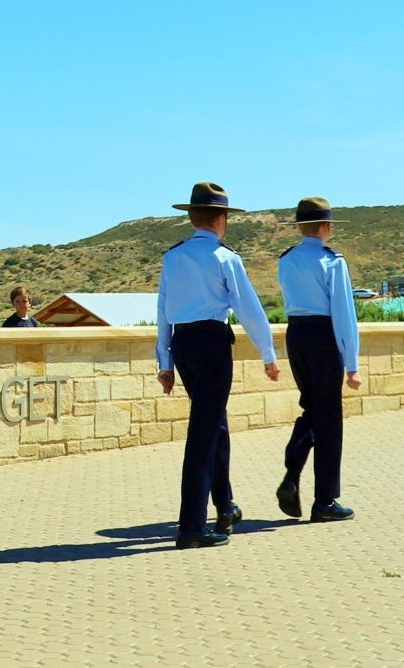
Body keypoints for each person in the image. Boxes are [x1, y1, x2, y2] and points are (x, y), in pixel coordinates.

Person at [155, 182, 281, 550]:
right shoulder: (226, 258)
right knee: (203, 433)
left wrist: (165, 360)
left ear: (192, 217)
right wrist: (268, 354)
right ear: (222, 219)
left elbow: (163, 310)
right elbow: (249, 310)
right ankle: (191, 525)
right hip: (211, 343)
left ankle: (224, 504)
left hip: (183, 343)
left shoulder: (173, 257)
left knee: (214, 423)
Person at [275, 197, 361, 523]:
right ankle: (324, 500)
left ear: (300, 226)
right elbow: (343, 313)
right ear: (325, 227)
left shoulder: (287, 260)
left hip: (296, 333)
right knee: (329, 419)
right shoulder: (332, 261)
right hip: (323, 336)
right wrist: (352, 364)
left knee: (311, 407)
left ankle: (292, 472)